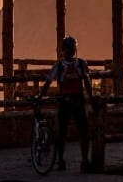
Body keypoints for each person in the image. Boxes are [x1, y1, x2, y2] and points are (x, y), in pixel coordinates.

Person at [39, 35, 97, 171]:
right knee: (62, 132)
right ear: (64, 51)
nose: (71, 52)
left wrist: (92, 98)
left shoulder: (81, 64)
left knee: (83, 132)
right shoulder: (59, 66)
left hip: (77, 101)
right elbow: (48, 83)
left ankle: (84, 160)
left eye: (72, 49)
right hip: (65, 102)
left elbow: (87, 83)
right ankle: (61, 160)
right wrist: (41, 96)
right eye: (69, 49)